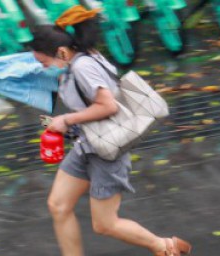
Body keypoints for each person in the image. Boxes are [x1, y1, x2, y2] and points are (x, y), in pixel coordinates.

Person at [29, 5, 192, 256]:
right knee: (58, 206)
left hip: (106, 152)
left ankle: (165, 247)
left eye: (44, 62)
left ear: (61, 52)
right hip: (86, 146)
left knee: (105, 224)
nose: (43, 67)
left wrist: (66, 120)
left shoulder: (83, 66)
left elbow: (107, 106)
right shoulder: (79, 58)